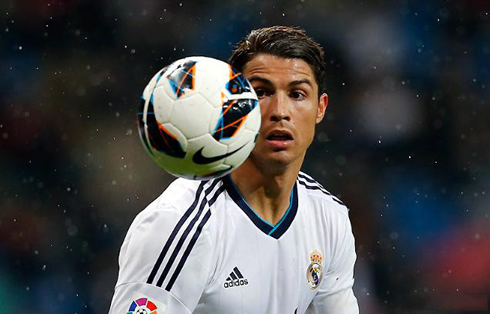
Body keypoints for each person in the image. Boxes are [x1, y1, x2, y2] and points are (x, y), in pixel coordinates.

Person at [109, 26, 359, 314]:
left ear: (320, 108)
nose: (280, 110)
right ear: (235, 105)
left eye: (297, 94)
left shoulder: (329, 218)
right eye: (262, 92)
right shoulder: (178, 224)